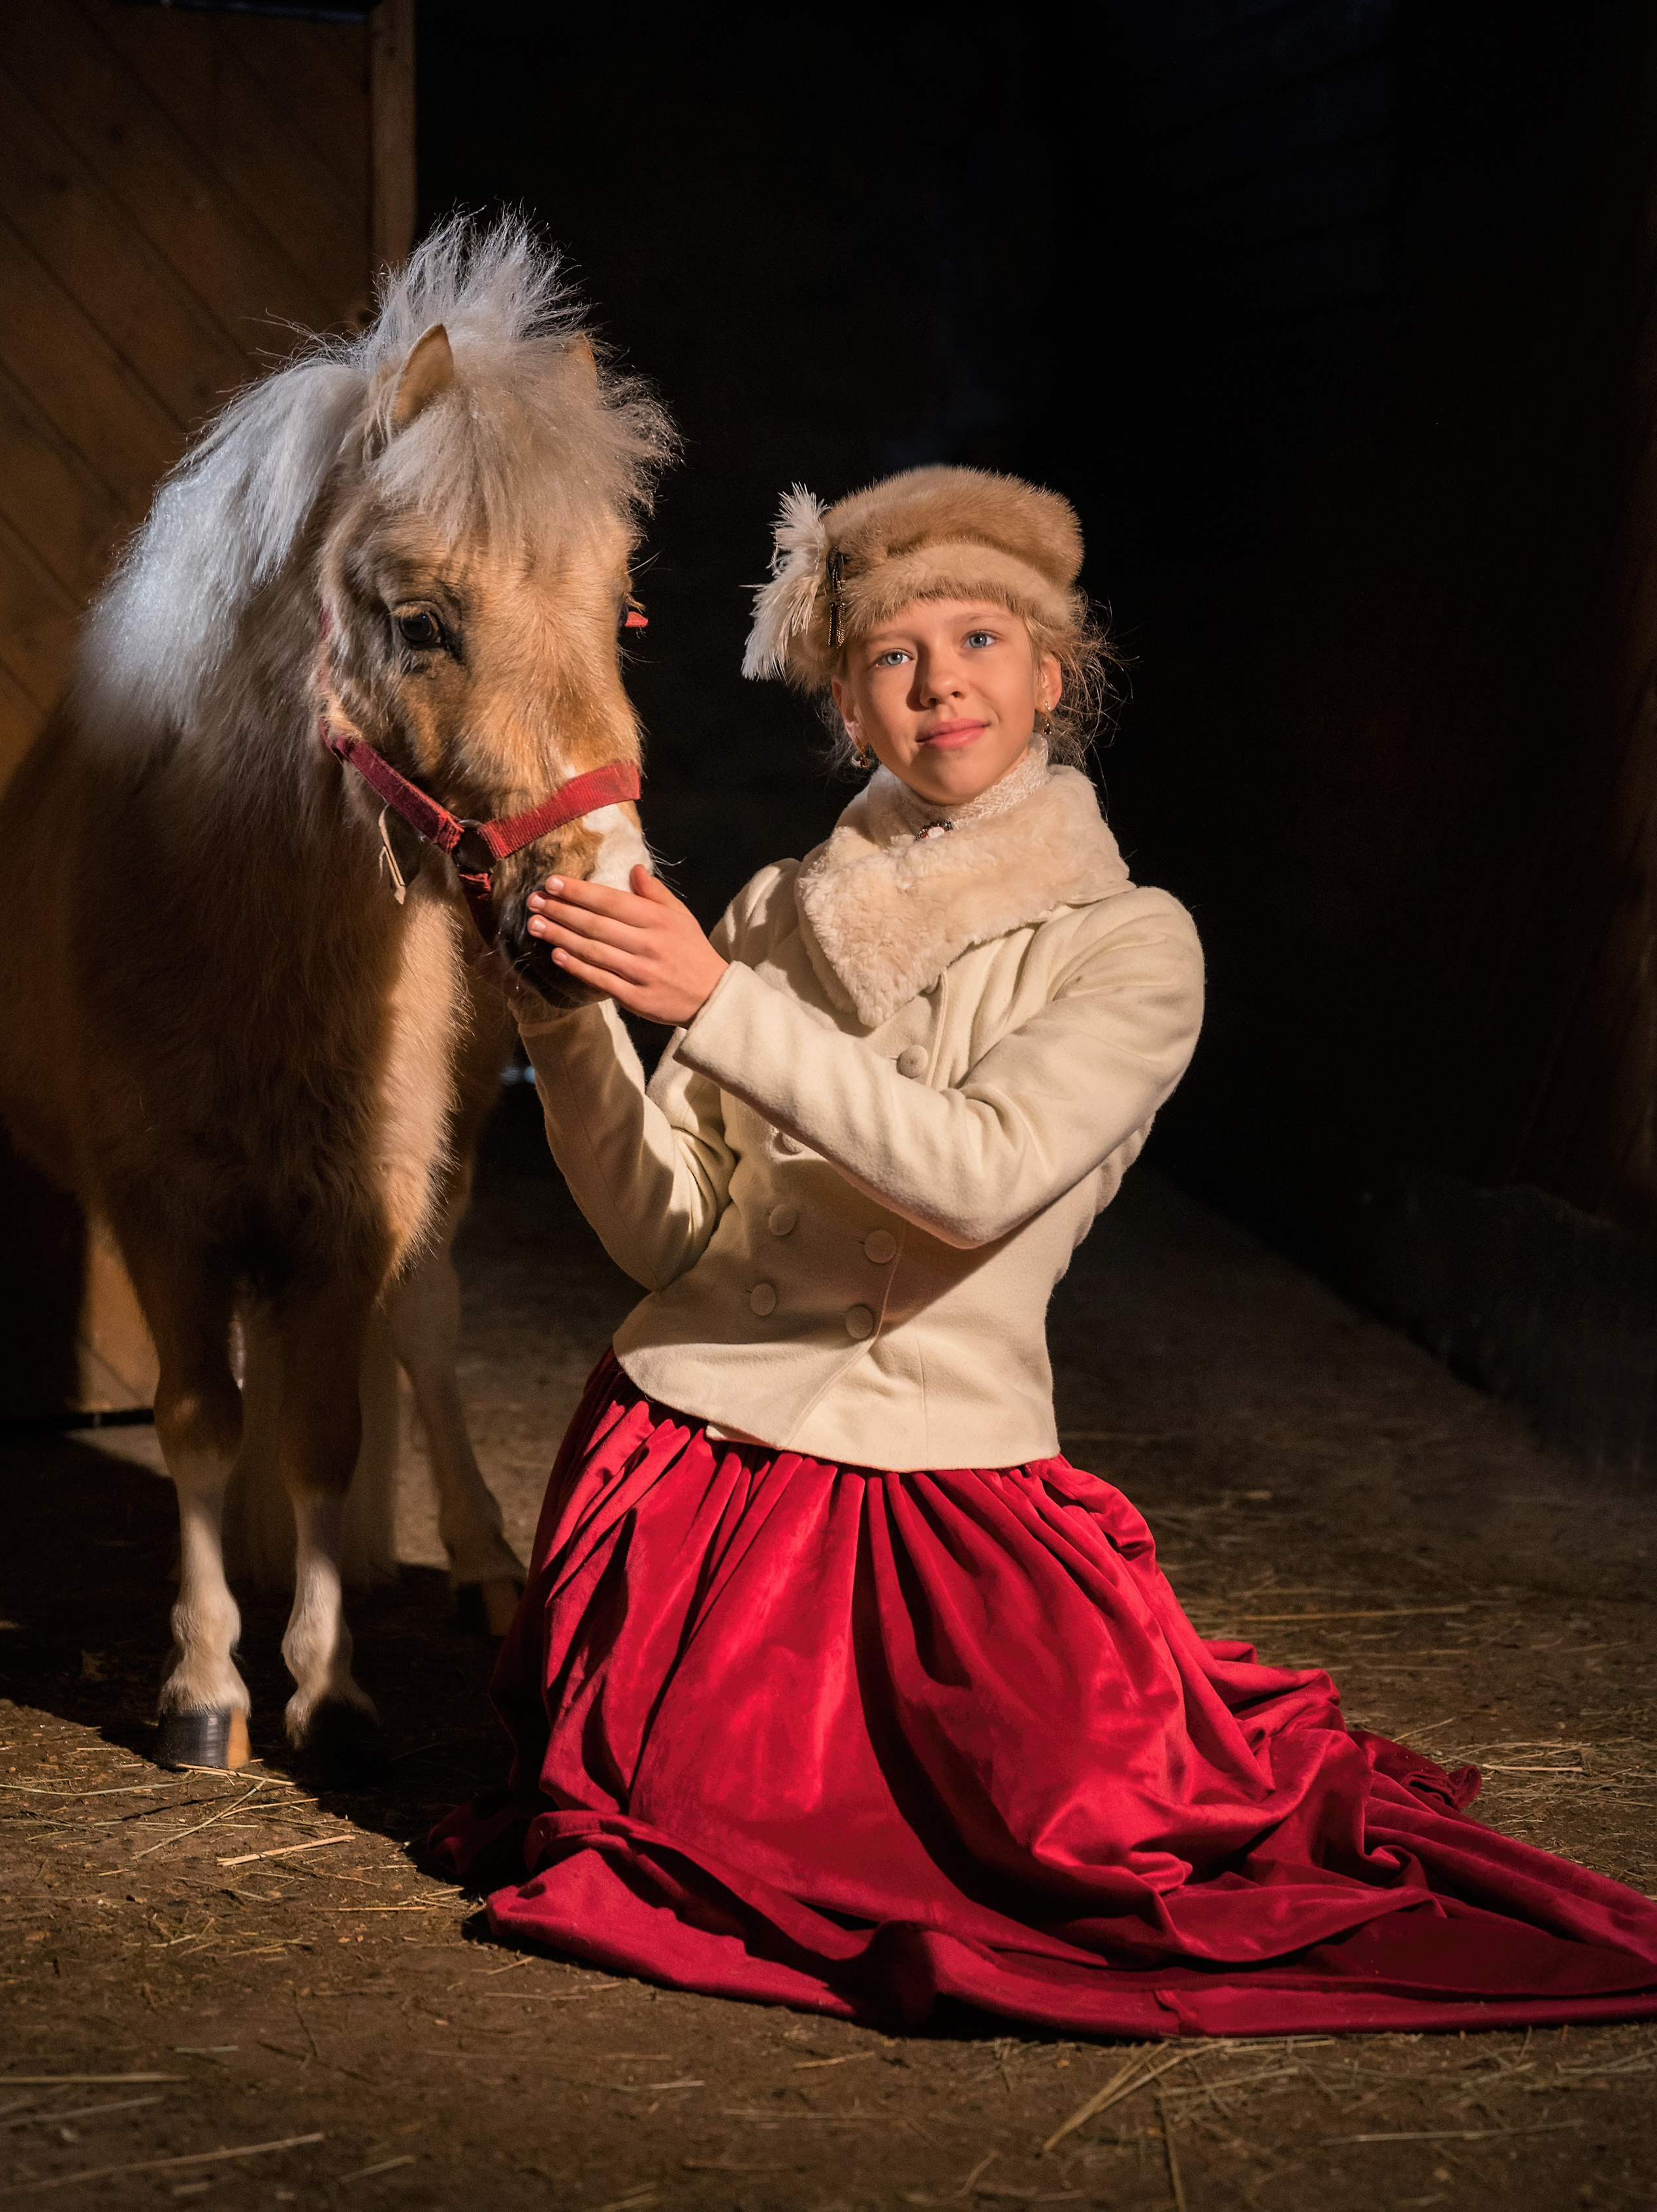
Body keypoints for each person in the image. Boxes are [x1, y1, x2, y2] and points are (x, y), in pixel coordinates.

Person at [432, 466, 1657, 2035]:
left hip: (926, 1494)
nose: (939, 679)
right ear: (848, 709)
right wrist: (569, 1020)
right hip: (680, 1466)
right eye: (890, 653)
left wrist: (710, 1006)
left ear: (1050, 677)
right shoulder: (765, 912)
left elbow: (976, 1180)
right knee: (663, 1830)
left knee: (1067, 1850)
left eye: (980, 637)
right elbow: (668, 1232)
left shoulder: (1129, 943)